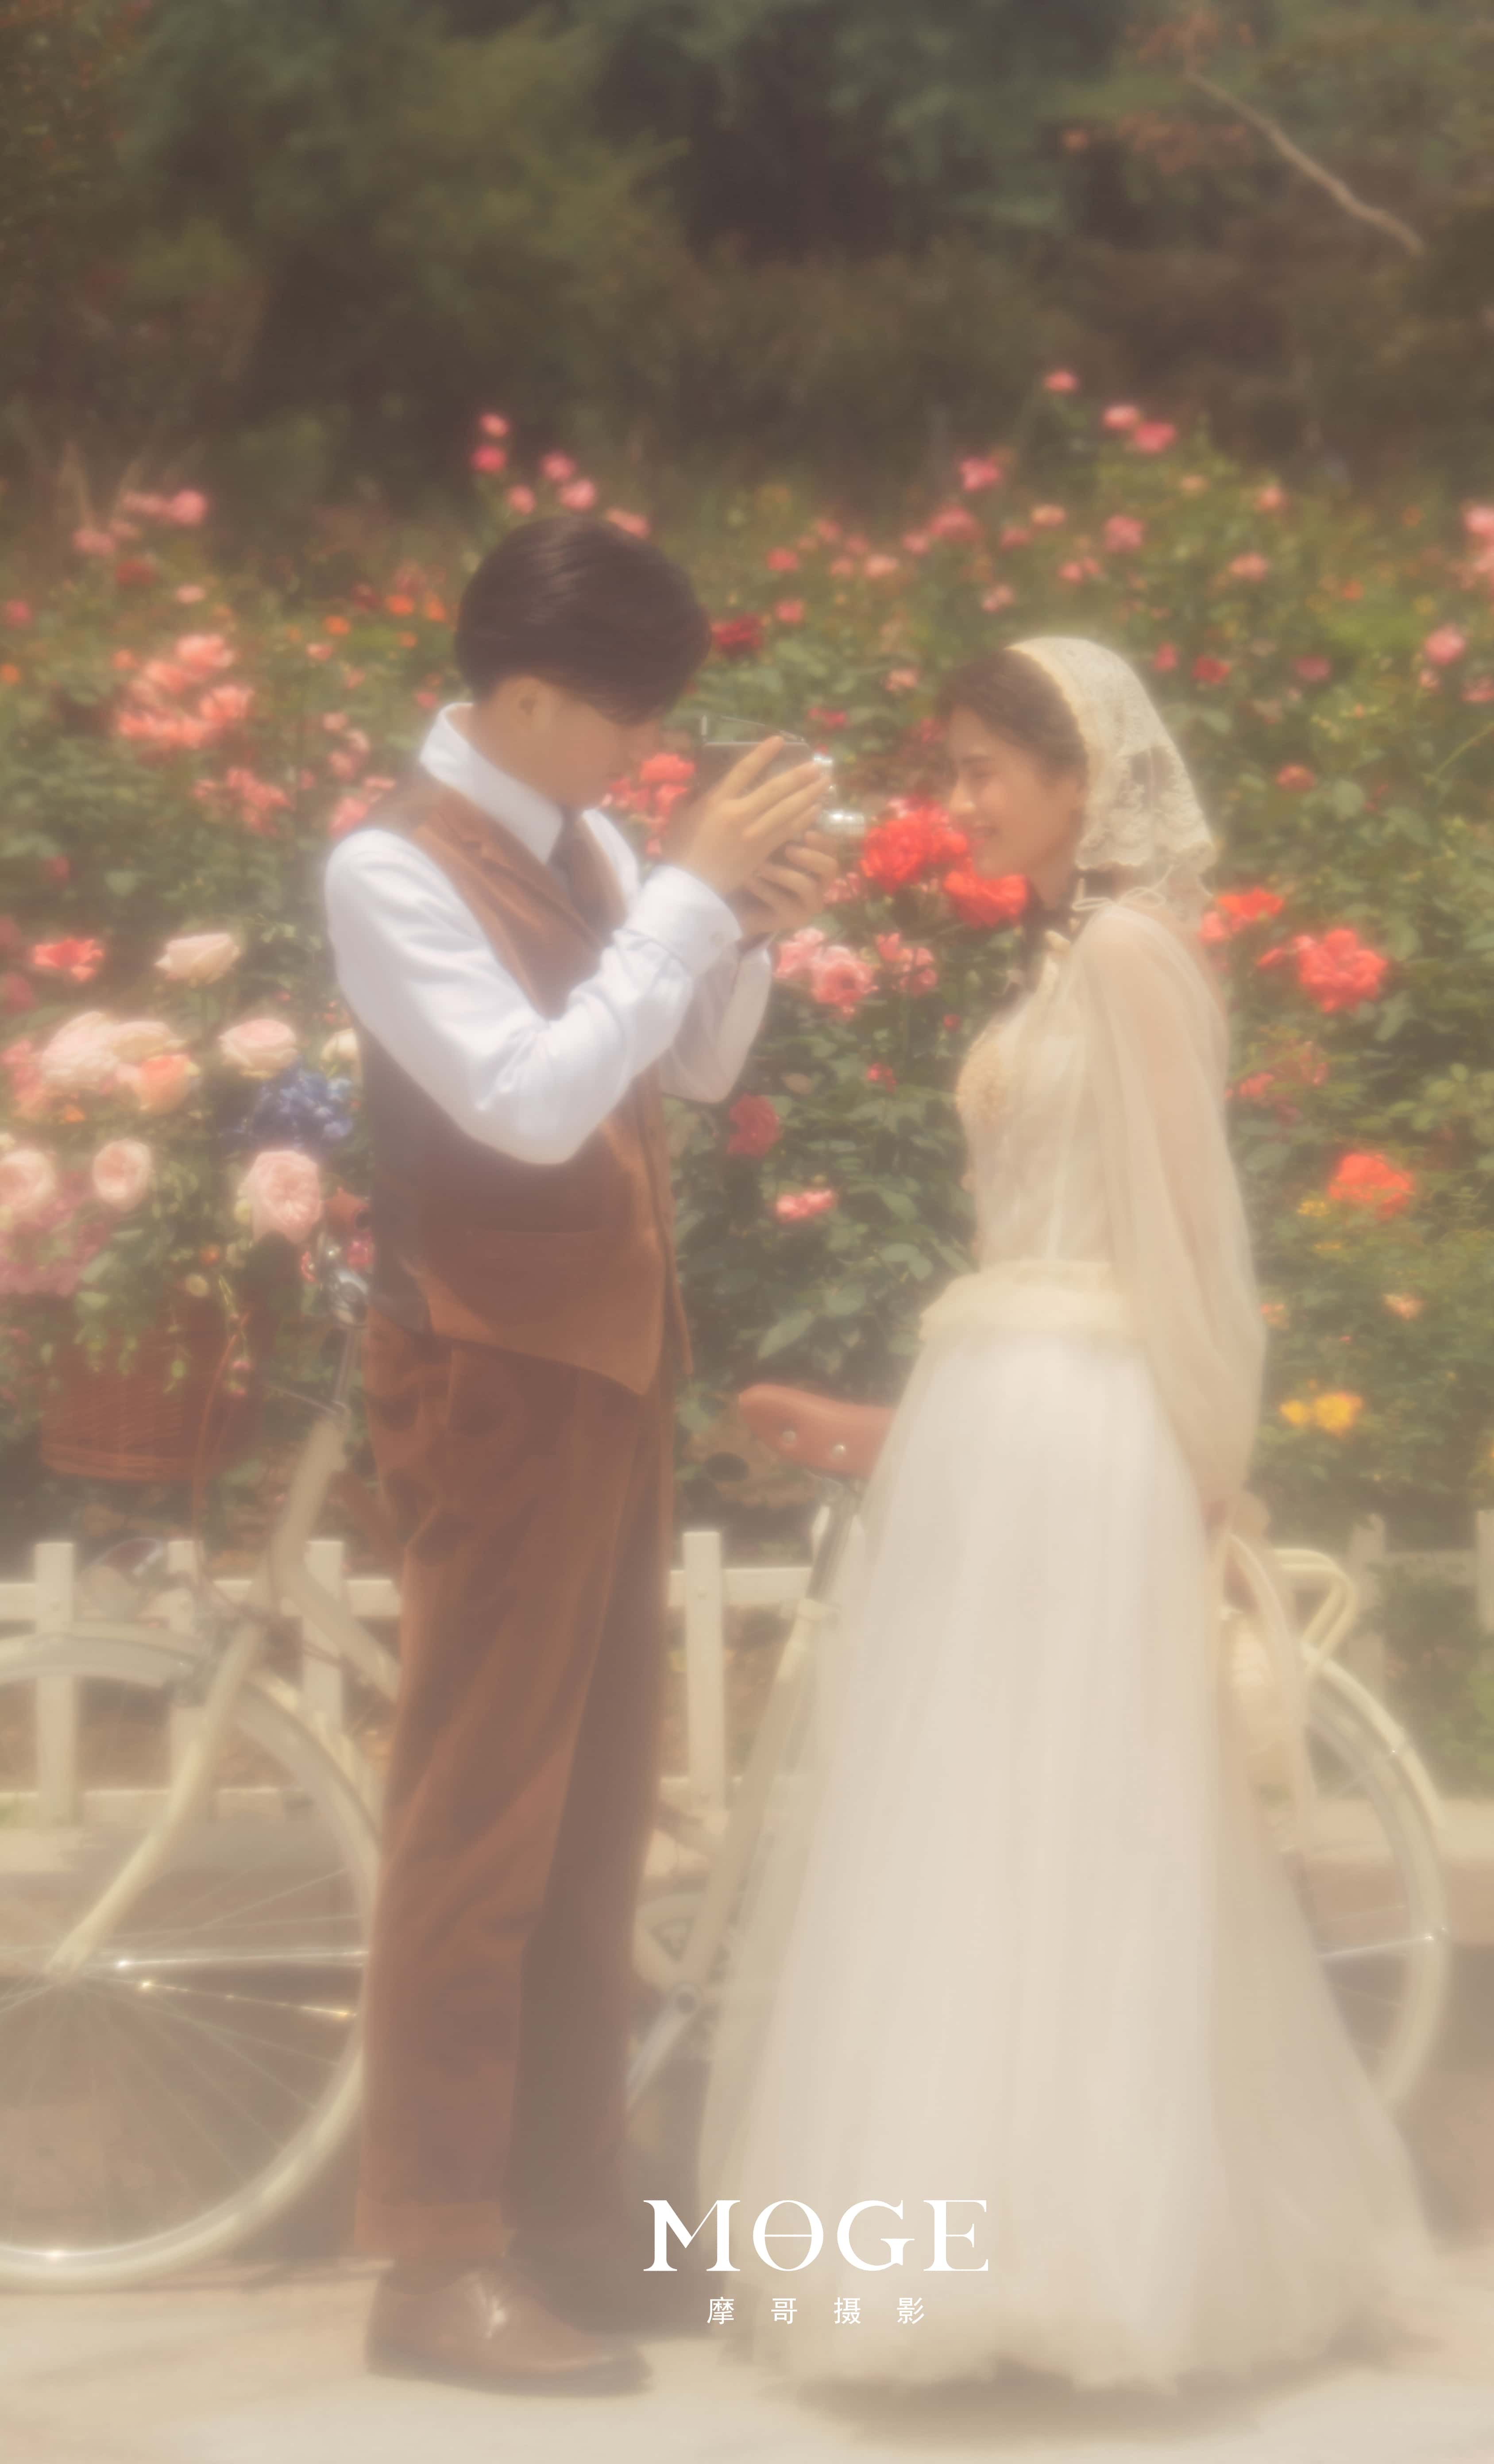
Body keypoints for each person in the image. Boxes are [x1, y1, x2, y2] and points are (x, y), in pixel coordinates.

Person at [693, 636, 1440, 2394]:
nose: (955, 800)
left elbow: (1189, 1225)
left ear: (1077, 775)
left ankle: (1090, 2258)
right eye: (950, 768)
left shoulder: (1124, 955)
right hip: (1003, 1413)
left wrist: (1205, 1459)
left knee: (1080, 1827)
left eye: (982, 770)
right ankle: (976, 2247)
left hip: (1085, 1420)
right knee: (980, 1822)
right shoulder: (1066, 958)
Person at [323, 513, 838, 2395]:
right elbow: (532, 1105)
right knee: (479, 1819)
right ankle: (431, 2260)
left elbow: (685, 1069)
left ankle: (568, 2212)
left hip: (604, 1368)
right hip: (485, 1380)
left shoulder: (592, 844)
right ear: (530, 695)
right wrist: (684, 900)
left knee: (596, 1811)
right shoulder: (388, 868)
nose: (647, 756)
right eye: (629, 718)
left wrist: (735, 926)